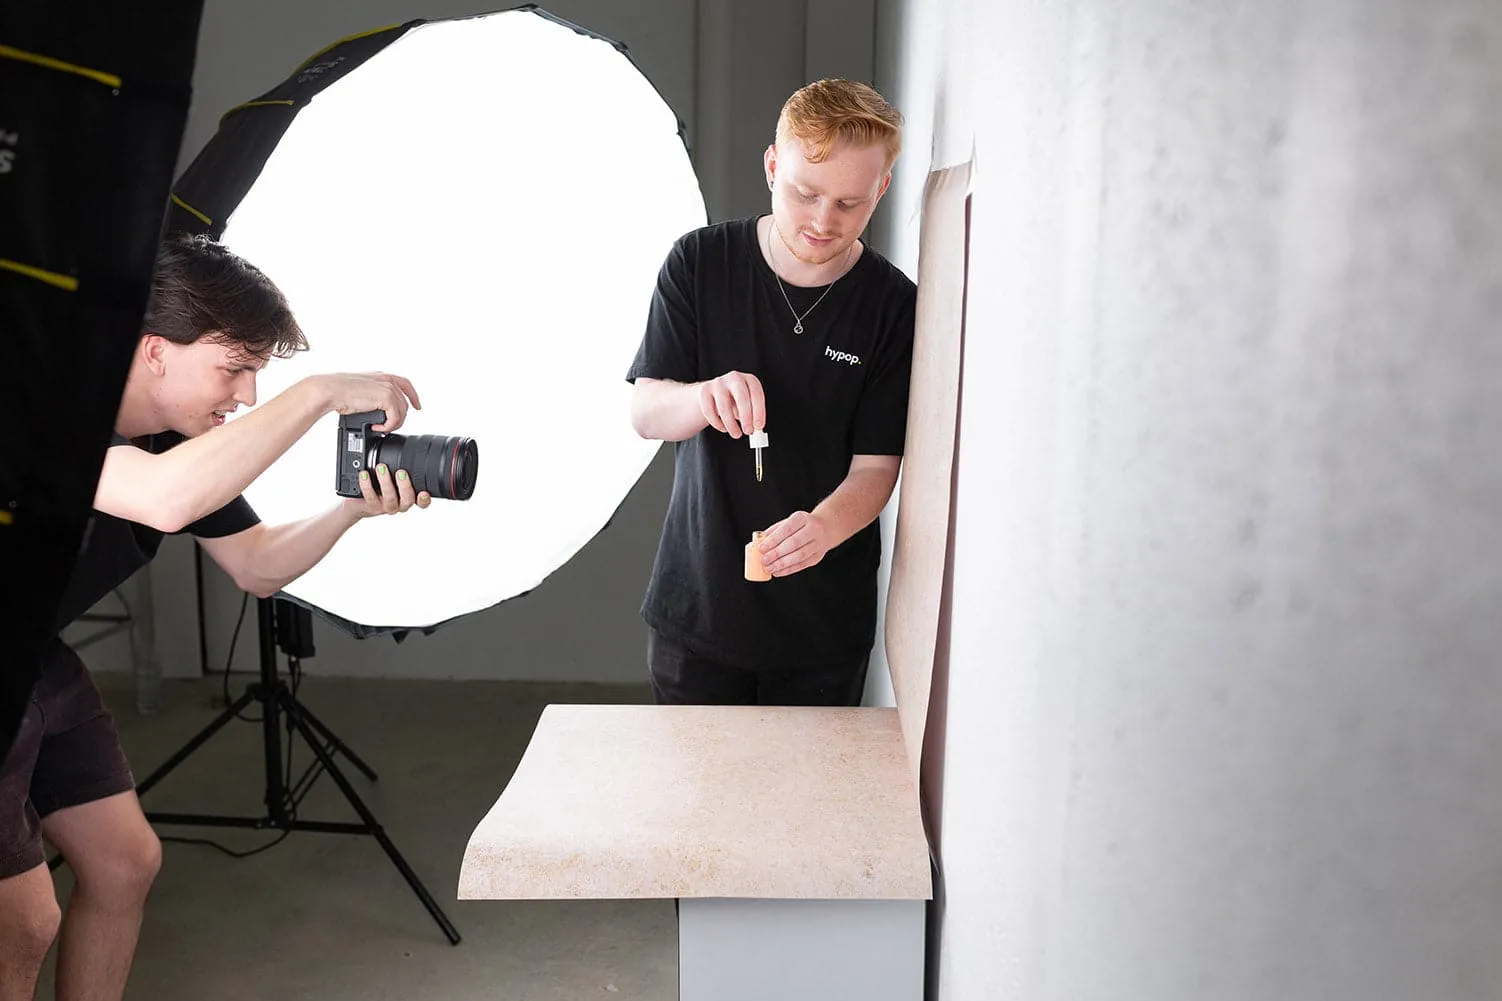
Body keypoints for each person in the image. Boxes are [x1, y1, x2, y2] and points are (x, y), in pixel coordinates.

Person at [0, 232, 428, 1001]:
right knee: (23, 918)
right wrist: (321, 393)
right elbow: (164, 497)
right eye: (236, 367)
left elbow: (257, 563)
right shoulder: (44, 403)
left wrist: (351, 511)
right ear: (154, 349)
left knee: (125, 862)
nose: (248, 396)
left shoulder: (180, 438)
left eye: (261, 373)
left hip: (33, 650)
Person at [627, 79, 916, 707]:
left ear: (882, 190)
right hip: (697, 613)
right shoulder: (699, 264)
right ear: (771, 165)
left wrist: (824, 527)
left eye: (849, 203)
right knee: (697, 803)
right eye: (805, 193)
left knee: (803, 806)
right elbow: (646, 412)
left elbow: (877, 466)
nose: (821, 221)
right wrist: (704, 397)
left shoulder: (893, 307)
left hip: (822, 630)